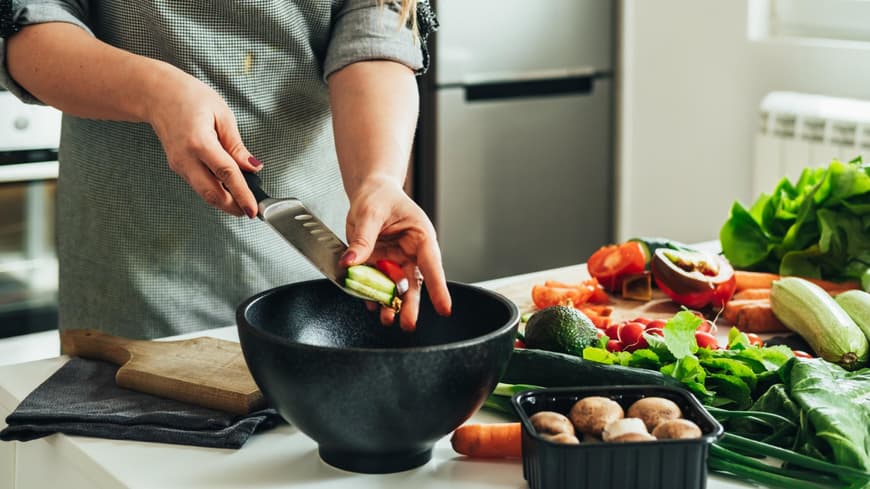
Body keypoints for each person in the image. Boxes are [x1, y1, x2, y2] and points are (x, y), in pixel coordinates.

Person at [0, 0, 451, 339]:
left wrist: (378, 179)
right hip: (133, 281)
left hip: (316, 290)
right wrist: (155, 92)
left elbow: (376, 37)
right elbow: (27, 28)